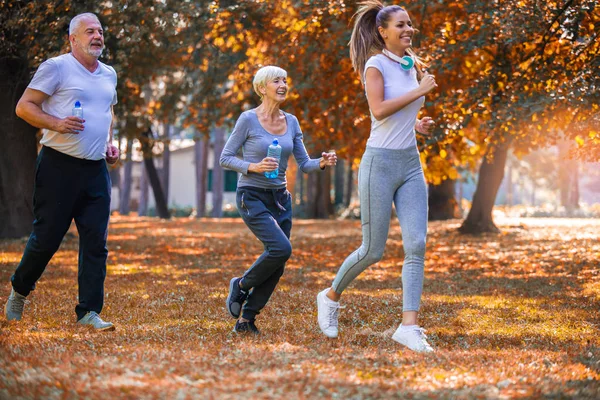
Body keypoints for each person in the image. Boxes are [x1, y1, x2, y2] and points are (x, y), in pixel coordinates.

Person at [316, 1, 438, 352]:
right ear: (383, 31)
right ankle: (330, 297)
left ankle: (409, 327)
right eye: (400, 25)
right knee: (373, 250)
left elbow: (399, 116)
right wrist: (419, 92)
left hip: (410, 165)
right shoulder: (375, 64)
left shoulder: (410, 64)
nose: (407, 29)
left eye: (410, 23)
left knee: (416, 245)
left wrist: (418, 125)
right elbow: (379, 111)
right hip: (380, 164)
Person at [4, 13, 120, 331]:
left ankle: (88, 312)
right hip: (59, 166)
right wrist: (56, 123)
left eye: (100, 31)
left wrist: (110, 145)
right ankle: (19, 290)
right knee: (47, 239)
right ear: (73, 39)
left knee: (96, 241)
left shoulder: (109, 74)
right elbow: (24, 106)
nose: (97, 36)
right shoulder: (57, 67)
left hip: (96, 169)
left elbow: (107, 112)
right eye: (89, 31)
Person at [220, 65, 337, 334]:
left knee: (278, 262)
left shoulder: (291, 121)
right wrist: (253, 166)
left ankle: (246, 320)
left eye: (285, 80)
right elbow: (225, 158)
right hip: (252, 195)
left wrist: (322, 162)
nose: (283, 85)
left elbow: (305, 163)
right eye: (276, 81)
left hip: (280, 198)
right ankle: (240, 285)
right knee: (281, 249)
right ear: (262, 88)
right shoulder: (247, 119)